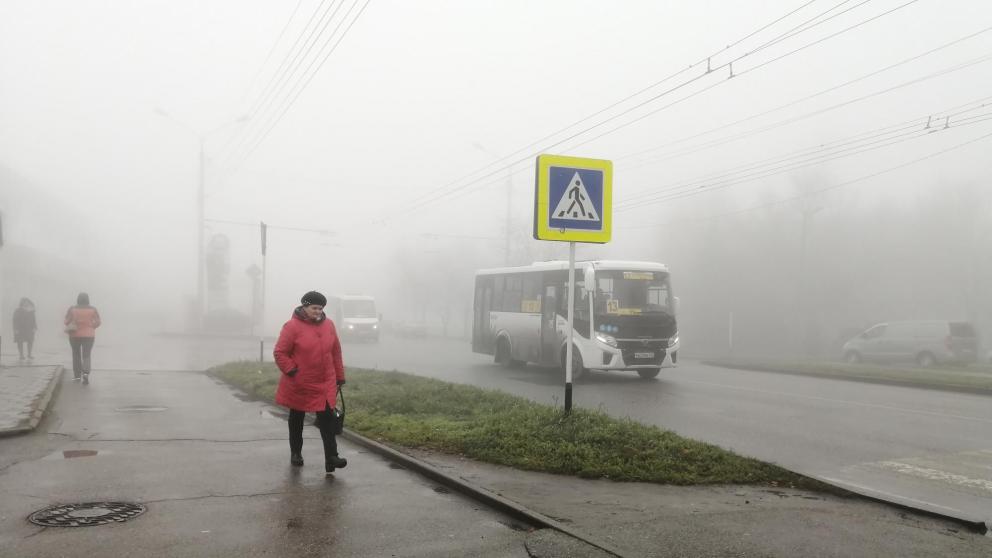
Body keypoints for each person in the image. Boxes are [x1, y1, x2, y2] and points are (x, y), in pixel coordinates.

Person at [273, 291, 348, 475]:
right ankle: (296, 453)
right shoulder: (292, 327)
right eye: (314, 308)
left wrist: (339, 376)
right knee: (296, 418)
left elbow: (336, 351)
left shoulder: (329, 325)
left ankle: (331, 457)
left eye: (321, 309)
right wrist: (293, 371)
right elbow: (280, 353)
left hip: (325, 382)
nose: (318, 312)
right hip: (300, 382)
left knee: (327, 420)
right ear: (305, 307)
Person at [64, 292, 101, 384]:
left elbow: (66, 321)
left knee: (76, 355)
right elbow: (98, 321)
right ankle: (85, 374)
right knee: (86, 355)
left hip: (74, 335)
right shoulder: (93, 309)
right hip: (89, 335)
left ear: (78, 299)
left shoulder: (72, 309)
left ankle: (77, 376)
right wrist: (91, 327)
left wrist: (73, 322)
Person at [13, 298, 37, 362]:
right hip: (20, 329)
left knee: (30, 341)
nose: (26, 303)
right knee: (20, 342)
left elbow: (34, 320)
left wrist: (35, 327)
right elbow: (15, 320)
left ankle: (29, 354)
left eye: (27, 302)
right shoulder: (18, 310)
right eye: (24, 302)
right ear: (22, 303)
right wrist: (15, 329)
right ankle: (21, 355)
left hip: (29, 329)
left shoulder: (31, 310)